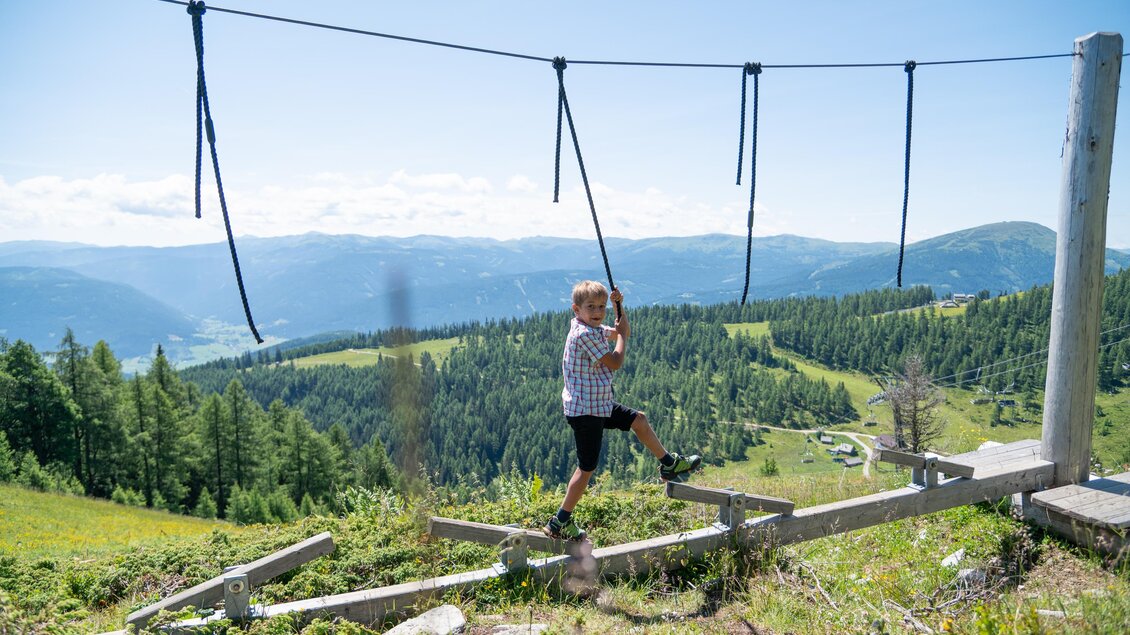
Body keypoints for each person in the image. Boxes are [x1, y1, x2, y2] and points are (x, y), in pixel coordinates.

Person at [544, 280, 701, 542]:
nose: (597, 312)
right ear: (576, 309)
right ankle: (560, 521)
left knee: (639, 420)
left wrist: (619, 307)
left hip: (598, 404)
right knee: (586, 468)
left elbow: (618, 329)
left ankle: (669, 464)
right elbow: (615, 361)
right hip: (586, 412)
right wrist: (623, 337)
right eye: (591, 307)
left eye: (601, 306)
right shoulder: (583, 335)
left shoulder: (590, 327)